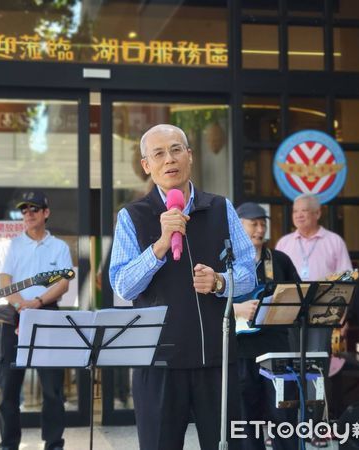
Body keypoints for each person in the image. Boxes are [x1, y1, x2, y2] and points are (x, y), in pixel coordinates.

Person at [109, 124, 256, 450]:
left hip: (216, 360)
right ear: (147, 165)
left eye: (176, 149)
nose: (169, 159)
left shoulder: (220, 208)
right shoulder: (132, 216)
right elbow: (122, 285)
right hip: (158, 363)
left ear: (189, 156)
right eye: (158, 154)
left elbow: (249, 274)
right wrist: (160, 246)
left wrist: (220, 281)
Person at [0, 190, 72, 450]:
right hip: (14, 318)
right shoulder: (13, 245)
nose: (28, 214)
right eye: (25, 210)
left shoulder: (60, 247)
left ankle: (54, 444)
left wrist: (37, 302)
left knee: (52, 391)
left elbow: (63, 283)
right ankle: (8, 444)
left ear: (46, 213)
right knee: (8, 391)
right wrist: (21, 304)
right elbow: (4, 281)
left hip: (48, 316)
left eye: (34, 209)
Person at [233, 202, 300, 450]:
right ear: (238, 227)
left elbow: (299, 298)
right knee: (244, 421)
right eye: (253, 224)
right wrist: (236, 310)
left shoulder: (280, 260)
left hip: (276, 350)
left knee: (283, 417)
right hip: (240, 351)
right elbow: (208, 304)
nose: (260, 229)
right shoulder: (227, 261)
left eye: (263, 224)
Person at [275, 193, 352, 352]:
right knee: (292, 363)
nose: (299, 215)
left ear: (317, 213)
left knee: (317, 363)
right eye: (295, 211)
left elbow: (346, 281)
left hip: (324, 313)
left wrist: (342, 315)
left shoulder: (334, 241)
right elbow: (277, 282)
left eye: (304, 211)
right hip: (290, 313)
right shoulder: (284, 243)